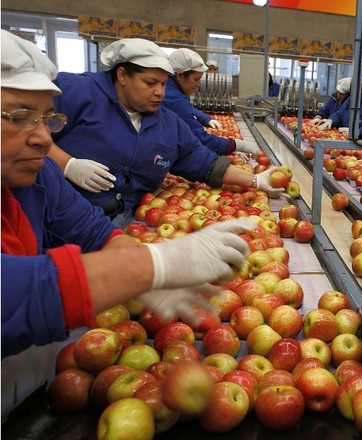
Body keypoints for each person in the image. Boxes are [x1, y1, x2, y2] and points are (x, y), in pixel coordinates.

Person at [0, 30, 257, 357]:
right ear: (122, 75)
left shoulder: (38, 177)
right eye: (21, 118)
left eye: (47, 120)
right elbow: (10, 291)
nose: (43, 138)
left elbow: (93, 230)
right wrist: (151, 267)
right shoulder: (82, 94)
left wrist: (142, 267)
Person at [45, 38, 283, 229]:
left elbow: (204, 162)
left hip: (112, 226)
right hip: (51, 213)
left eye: (163, 84)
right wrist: (68, 165)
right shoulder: (77, 92)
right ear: (122, 75)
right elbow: (19, 132)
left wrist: (255, 180)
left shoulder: (168, 125)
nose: (159, 92)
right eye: (150, 83)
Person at [163, 48, 258, 157]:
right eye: (196, 79)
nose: (198, 84)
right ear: (180, 75)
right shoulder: (173, 98)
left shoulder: (171, 89)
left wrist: (206, 119)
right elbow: (200, 139)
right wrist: (236, 145)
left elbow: (186, 109)